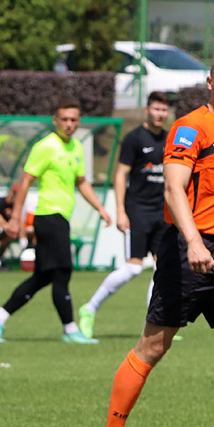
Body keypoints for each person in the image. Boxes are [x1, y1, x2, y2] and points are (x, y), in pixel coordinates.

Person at [91, 50, 214, 427]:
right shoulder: (190, 127)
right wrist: (195, 243)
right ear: (210, 81)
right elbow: (174, 190)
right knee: (153, 347)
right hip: (186, 251)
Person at [0, 101, 112, 344]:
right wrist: (15, 219)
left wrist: (101, 209)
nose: (69, 124)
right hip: (48, 217)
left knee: (42, 277)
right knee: (63, 270)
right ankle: (70, 329)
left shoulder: (75, 147)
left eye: (74, 120)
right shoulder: (46, 147)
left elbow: (81, 182)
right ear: (55, 120)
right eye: (64, 119)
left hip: (61, 217)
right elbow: (25, 182)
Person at [79, 92, 171, 339]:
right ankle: (90, 308)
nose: (160, 114)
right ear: (146, 110)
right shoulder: (134, 138)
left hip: (162, 213)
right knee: (133, 268)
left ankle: (156, 324)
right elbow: (120, 175)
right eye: (156, 109)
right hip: (137, 211)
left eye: (164, 110)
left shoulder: (170, 138)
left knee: (162, 269)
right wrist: (121, 211)